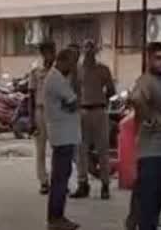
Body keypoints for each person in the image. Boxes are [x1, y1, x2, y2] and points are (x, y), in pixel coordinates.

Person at [129, 42, 161, 230]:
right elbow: (135, 98)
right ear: (149, 59)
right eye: (158, 58)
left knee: (155, 201)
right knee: (149, 205)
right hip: (151, 152)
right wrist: (149, 119)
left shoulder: (160, 82)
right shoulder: (146, 80)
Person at [44, 47, 82, 230]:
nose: (74, 67)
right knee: (60, 179)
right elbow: (74, 101)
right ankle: (56, 218)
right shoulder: (56, 79)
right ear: (63, 61)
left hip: (64, 134)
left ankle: (57, 216)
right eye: (72, 63)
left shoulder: (58, 78)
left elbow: (71, 104)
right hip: (62, 135)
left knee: (61, 177)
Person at [74, 38, 116, 199]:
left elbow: (111, 90)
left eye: (91, 48)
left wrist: (101, 98)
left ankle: (105, 185)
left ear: (96, 50)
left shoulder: (103, 69)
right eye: (86, 48)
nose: (89, 51)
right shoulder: (77, 70)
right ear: (82, 50)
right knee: (81, 150)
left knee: (103, 150)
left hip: (99, 110)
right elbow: (73, 90)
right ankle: (83, 183)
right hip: (82, 110)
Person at [30, 41, 58, 195]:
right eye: (46, 52)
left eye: (51, 51)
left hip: (56, 113)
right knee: (40, 150)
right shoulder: (36, 71)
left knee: (57, 149)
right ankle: (43, 181)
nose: (50, 55)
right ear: (42, 53)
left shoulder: (59, 71)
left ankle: (57, 181)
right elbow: (30, 95)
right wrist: (31, 120)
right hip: (40, 111)